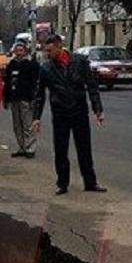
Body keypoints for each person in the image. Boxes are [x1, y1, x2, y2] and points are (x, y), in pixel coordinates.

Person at [33, 34, 107, 196]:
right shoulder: (46, 68)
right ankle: (62, 183)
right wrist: (36, 117)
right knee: (60, 150)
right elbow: (40, 94)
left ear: (60, 47)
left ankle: (90, 182)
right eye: (46, 51)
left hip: (79, 111)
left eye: (50, 50)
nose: (48, 54)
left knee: (84, 148)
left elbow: (92, 87)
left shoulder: (79, 62)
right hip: (60, 113)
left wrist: (98, 110)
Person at [4, 41, 40, 158]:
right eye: (17, 51)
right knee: (17, 125)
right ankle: (21, 147)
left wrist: (33, 97)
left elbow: (35, 83)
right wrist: (6, 98)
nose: (19, 53)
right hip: (14, 98)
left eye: (21, 51)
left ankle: (30, 147)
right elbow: (7, 82)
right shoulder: (11, 65)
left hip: (26, 98)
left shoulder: (31, 65)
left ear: (25, 51)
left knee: (27, 124)